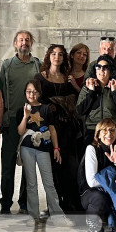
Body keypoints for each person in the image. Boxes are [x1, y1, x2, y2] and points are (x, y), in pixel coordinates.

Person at [0, 30, 41, 214]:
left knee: (29, 165)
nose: (24, 43)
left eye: (27, 40)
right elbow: (0, 94)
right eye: (21, 40)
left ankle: (24, 203)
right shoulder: (7, 65)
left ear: (31, 43)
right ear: (15, 43)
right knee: (7, 164)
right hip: (11, 120)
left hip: (32, 120)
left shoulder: (37, 64)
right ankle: (6, 203)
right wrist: (1, 121)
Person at [36, 43, 81, 213]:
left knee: (69, 166)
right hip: (49, 127)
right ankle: (53, 205)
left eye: (60, 54)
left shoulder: (67, 78)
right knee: (52, 167)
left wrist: (62, 100)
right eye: (54, 54)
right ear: (49, 56)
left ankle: (69, 203)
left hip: (68, 128)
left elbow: (76, 99)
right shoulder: (40, 78)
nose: (57, 57)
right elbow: (36, 101)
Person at [17, 77, 64, 223]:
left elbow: (52, 129)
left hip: (44, 148)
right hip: (27, 148)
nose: (32, 94)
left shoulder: (46, 108)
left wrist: (56, 148)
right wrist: (25, 117)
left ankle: (57, 214)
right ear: (25, 92)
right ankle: (33, 215)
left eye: (35, 91)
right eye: (29, 91)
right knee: (31, 183)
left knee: (49, 182)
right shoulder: (22, 109)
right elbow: (20, 131)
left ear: (39, 93)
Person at [75, 55, 116, 141]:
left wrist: (115, 92)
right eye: (98, 67)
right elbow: (80, 111)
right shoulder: (87, 87)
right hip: (92, 130)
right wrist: (91, 92)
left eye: (105, 67)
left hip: (111, 132)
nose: (101, 70)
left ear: (111, 71)